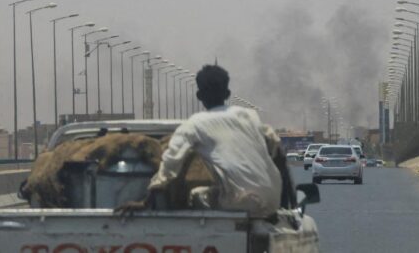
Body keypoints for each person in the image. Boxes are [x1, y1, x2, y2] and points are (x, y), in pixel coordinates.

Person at [117, 64, 294, 217]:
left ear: (199, 95)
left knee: (197, 195)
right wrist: (283, 202)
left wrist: (146, 202)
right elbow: (277, 149)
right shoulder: (249, 116)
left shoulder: (194, 124)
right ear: (228, 93)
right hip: (273, 202)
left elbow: (170, 164)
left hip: (240, 203)